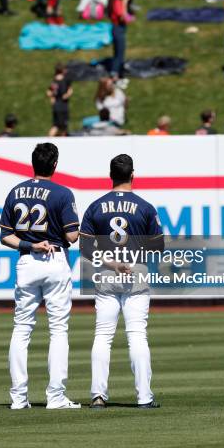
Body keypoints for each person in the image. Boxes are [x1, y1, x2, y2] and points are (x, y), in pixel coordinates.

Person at [0, 142, 81, 410]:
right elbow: (71, 236)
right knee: (58, 330)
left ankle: (18, 398)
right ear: (55, 164)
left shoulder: (16, 191)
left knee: (22, 328)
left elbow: (5, 236)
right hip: (55, 259)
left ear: (33, 163)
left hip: (26, 261)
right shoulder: (62, 193)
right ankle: (55, 397)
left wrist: (30, 245)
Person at [80, 153, 164, 409]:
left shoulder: (95, 206)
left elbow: (84, 247)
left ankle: (97, 396)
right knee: (137, 335)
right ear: (132, 175)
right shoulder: (145, 207)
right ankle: (144, 397)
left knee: (103, 335)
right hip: (136, 271)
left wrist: (111, 263)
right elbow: (158, 247)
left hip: (106, 273)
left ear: (110, 176)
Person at [107, 0, 130, 81]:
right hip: (118, 29)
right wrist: (125, 4)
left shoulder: (115, 0)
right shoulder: (117, 2)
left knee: (119, 52)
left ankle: (118, 71)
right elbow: (122, 17)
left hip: (118, 28)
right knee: (119, 53)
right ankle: (115, 73)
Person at [46, 63, 73, 136]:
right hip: (62, 106)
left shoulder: (54, 81)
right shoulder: (65, 79)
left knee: (59, 126)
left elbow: (48, 92)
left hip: (57, 105)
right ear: (62, 70)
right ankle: (49, 141)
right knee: (60, 126)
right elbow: (70, 90)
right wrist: (66, 95)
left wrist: (52, 97)